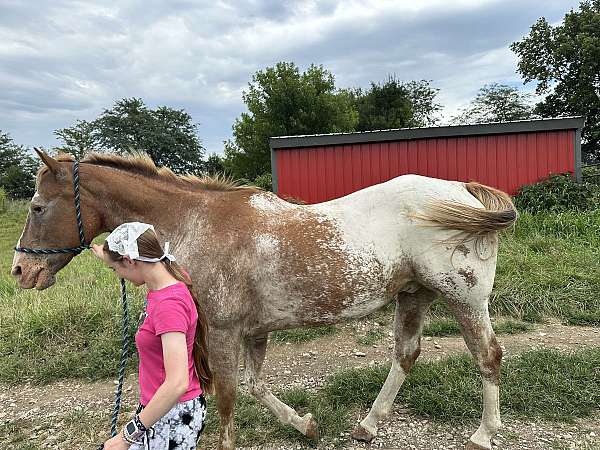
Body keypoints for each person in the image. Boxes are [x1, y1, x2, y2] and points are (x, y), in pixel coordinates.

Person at [91, 222, 212, 450]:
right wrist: (106, 254)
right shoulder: (166, 276)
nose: (118, 276)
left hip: (172, 416)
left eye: (115, 269)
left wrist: (125, 437)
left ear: (129, 260)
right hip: (159, 409)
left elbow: (177, 383)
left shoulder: (169, 305)